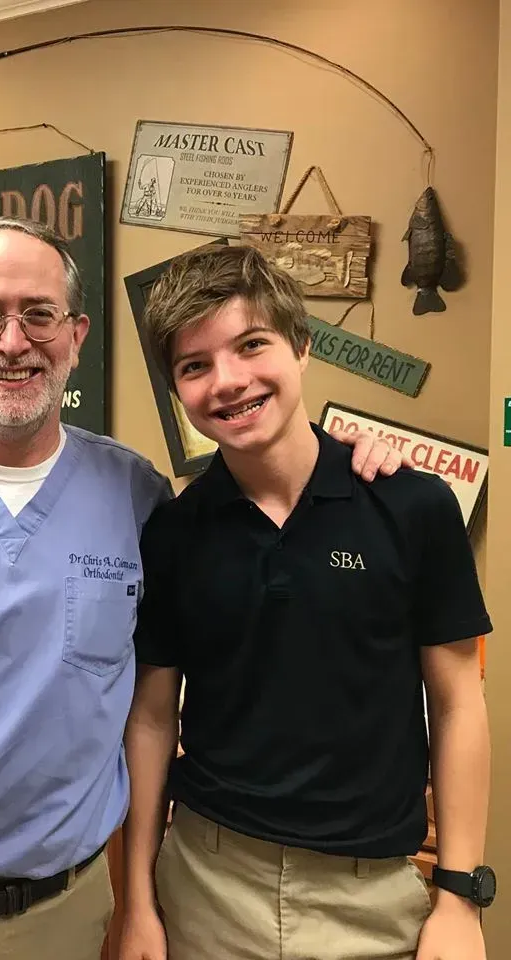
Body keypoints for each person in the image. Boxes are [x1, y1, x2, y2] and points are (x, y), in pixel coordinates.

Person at [0, 218, 402, 960]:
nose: (13, 342)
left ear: (77, 335)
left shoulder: (137, 496)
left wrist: (349, 462)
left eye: (39, 314)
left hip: (70, 916)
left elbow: (163, 691)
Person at [120, 243, 493, 960]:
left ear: (302, 347)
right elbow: (152, 716)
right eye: (195, 366)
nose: (227, 382)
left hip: (372, 896)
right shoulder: (174, 528)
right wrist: (138, 898)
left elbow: (457, 704)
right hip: (206, 880)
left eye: (251, 345)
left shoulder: (412, 505)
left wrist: (457, 896)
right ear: (177, 389)